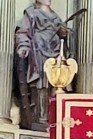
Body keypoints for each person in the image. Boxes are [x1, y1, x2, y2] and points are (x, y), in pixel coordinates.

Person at [14, 0, 67, 128]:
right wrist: (23, 46)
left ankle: (53, 117)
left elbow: (63, 35)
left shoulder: (55, 16)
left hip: (54, 52)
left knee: (54, 84)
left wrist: (64, 32)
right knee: (41, 84)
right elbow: (23, 32)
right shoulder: (31, 13)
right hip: (39, 52)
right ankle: (40, 117)